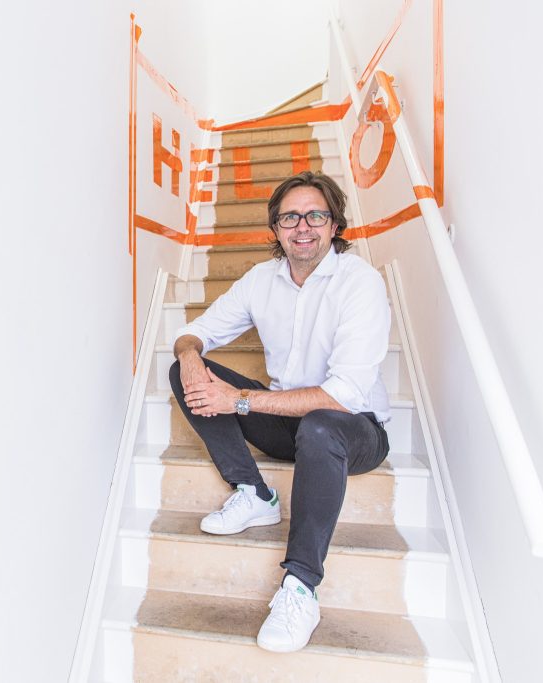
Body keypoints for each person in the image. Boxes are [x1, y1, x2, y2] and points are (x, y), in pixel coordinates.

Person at [169, 170, 391, 653]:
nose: (303, 226)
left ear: (334, 225)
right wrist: (189, 356)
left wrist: (240, 400)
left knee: (319, 425)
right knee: (187, 373)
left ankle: (301, 587)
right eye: (290, 217)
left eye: (316, 214)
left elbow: (344, 395)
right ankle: (255, 494)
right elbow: (193, 333)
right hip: (287, 422)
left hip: (353, 431)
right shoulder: (260, 280)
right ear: (275, 228)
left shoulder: (360, 283)